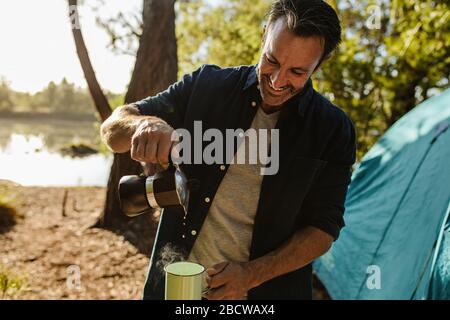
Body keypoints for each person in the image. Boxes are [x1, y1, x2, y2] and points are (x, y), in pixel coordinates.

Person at [100, 0, 356, 300]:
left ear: (320, 63)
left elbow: (323, 229)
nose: (277, 81)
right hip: (175, 290)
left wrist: (252, 275)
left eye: (297, 72)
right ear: (263, 37)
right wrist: (144, 125)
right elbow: (112, 130)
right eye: (271, 60)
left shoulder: (333, 129)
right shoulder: (207, 85)